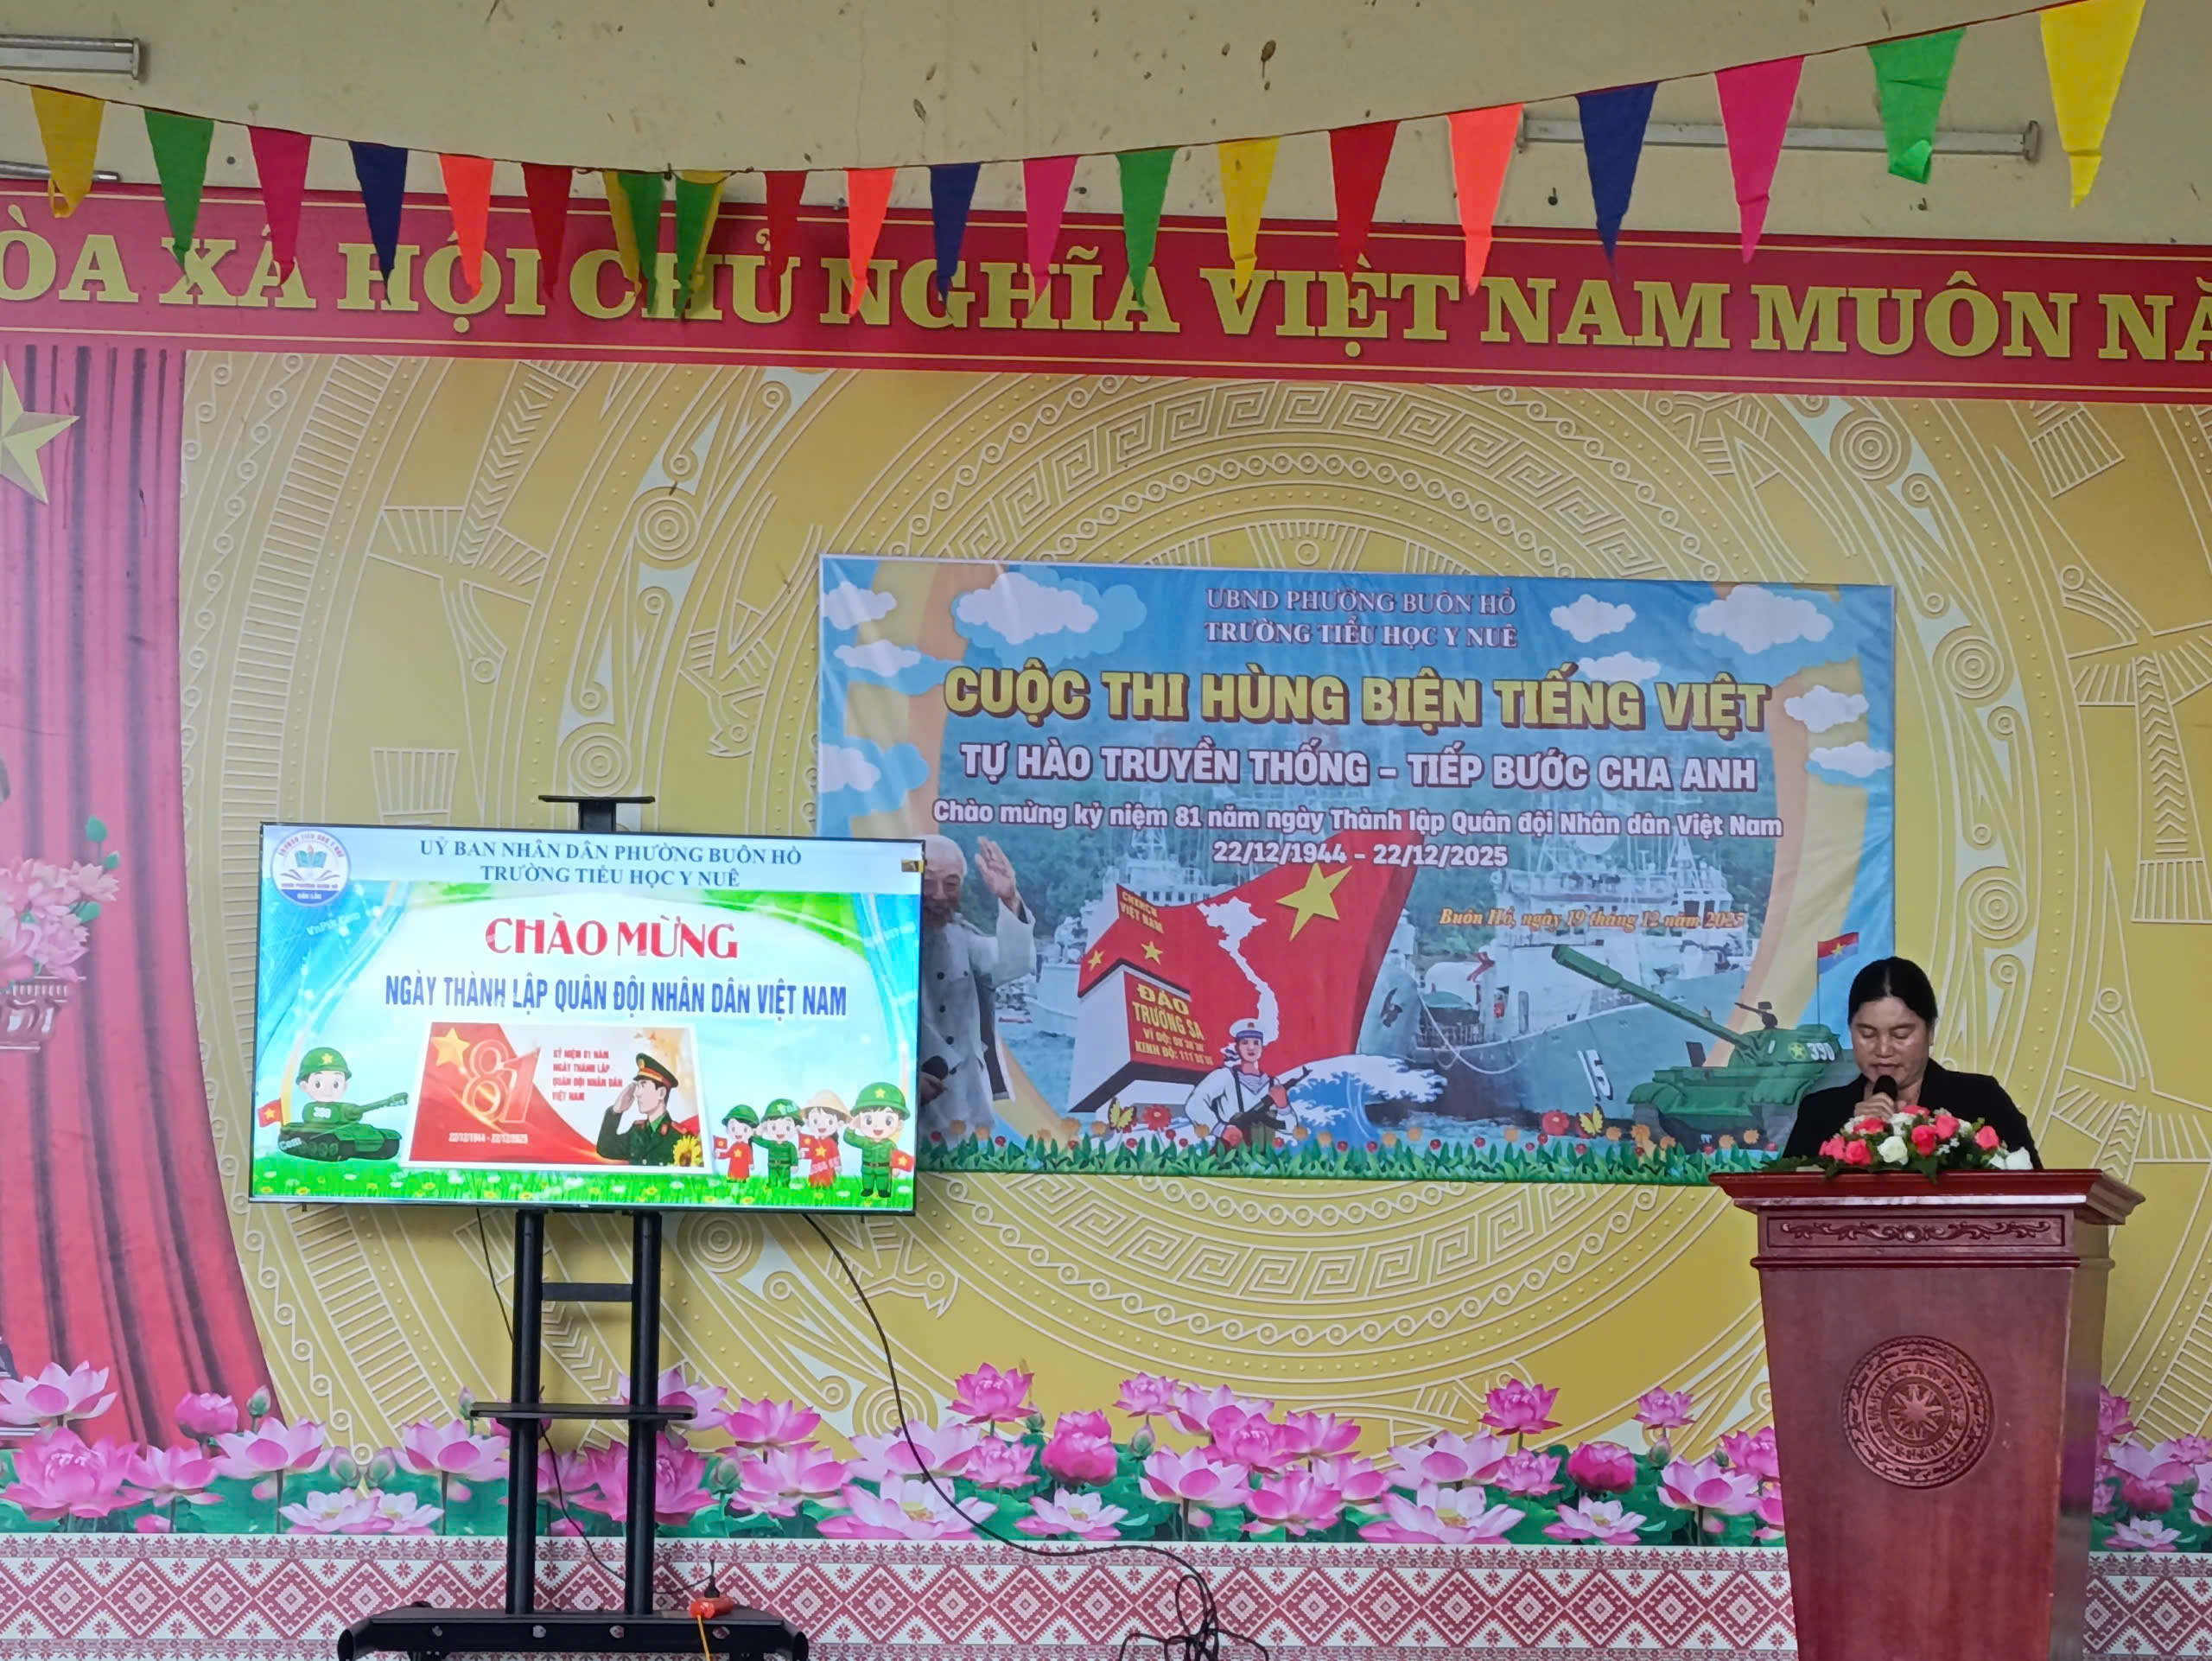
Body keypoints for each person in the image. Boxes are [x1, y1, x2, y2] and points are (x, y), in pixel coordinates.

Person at [1782, 957, 2040, 1164]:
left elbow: (2035, 1195)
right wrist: (1852, 1133)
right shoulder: (1820, 1113)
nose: (1883, 1049)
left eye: (1901, 1034)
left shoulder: (1981, 1100)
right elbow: (1786, 1200)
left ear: (1930, 1031)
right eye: (1868, 1034)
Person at [916, 833, 1033, 1141]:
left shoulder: (964, 939)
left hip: (961, 1110)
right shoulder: (873, 941)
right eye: (927, 882)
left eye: (951, 884)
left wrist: (1009, 899)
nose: (938, 895)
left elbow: (1014, 962)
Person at [1183, 1022, 1306, 1149]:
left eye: (1256, 1043)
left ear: (1262, 1048)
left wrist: (1283, 1107)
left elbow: (1290, 1129)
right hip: (1232, 1151)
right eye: (1245, 1042)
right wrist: (1221, 1129)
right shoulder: (1224, 1076)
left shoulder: (1273, 1083)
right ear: (1237, 1048)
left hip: (1264, 1155)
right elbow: (1194, 1104)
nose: (1251, 1047)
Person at [595, 1053, 687, 1166]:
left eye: (643, 1085)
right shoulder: (636, 1131)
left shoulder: (679, 1137)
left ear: (661, 1093)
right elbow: (605, 1149)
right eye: (637, 1086)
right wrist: (616, 1111)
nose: (637, 1093)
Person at [843, 1080, 915, 1199]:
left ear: (899, 1124)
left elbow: (895, 1157)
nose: (877, 1127)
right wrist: (851, 1126)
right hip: (867, 1169)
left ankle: (883, 1191)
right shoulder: (865, 1141)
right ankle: (868, 1189)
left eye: (888, 1121)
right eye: (869, 1120)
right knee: (867, 1183)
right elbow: (849, 1138)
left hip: (883, 1169)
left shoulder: (890, 1144)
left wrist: (896, 1168)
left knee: (883, 1184)